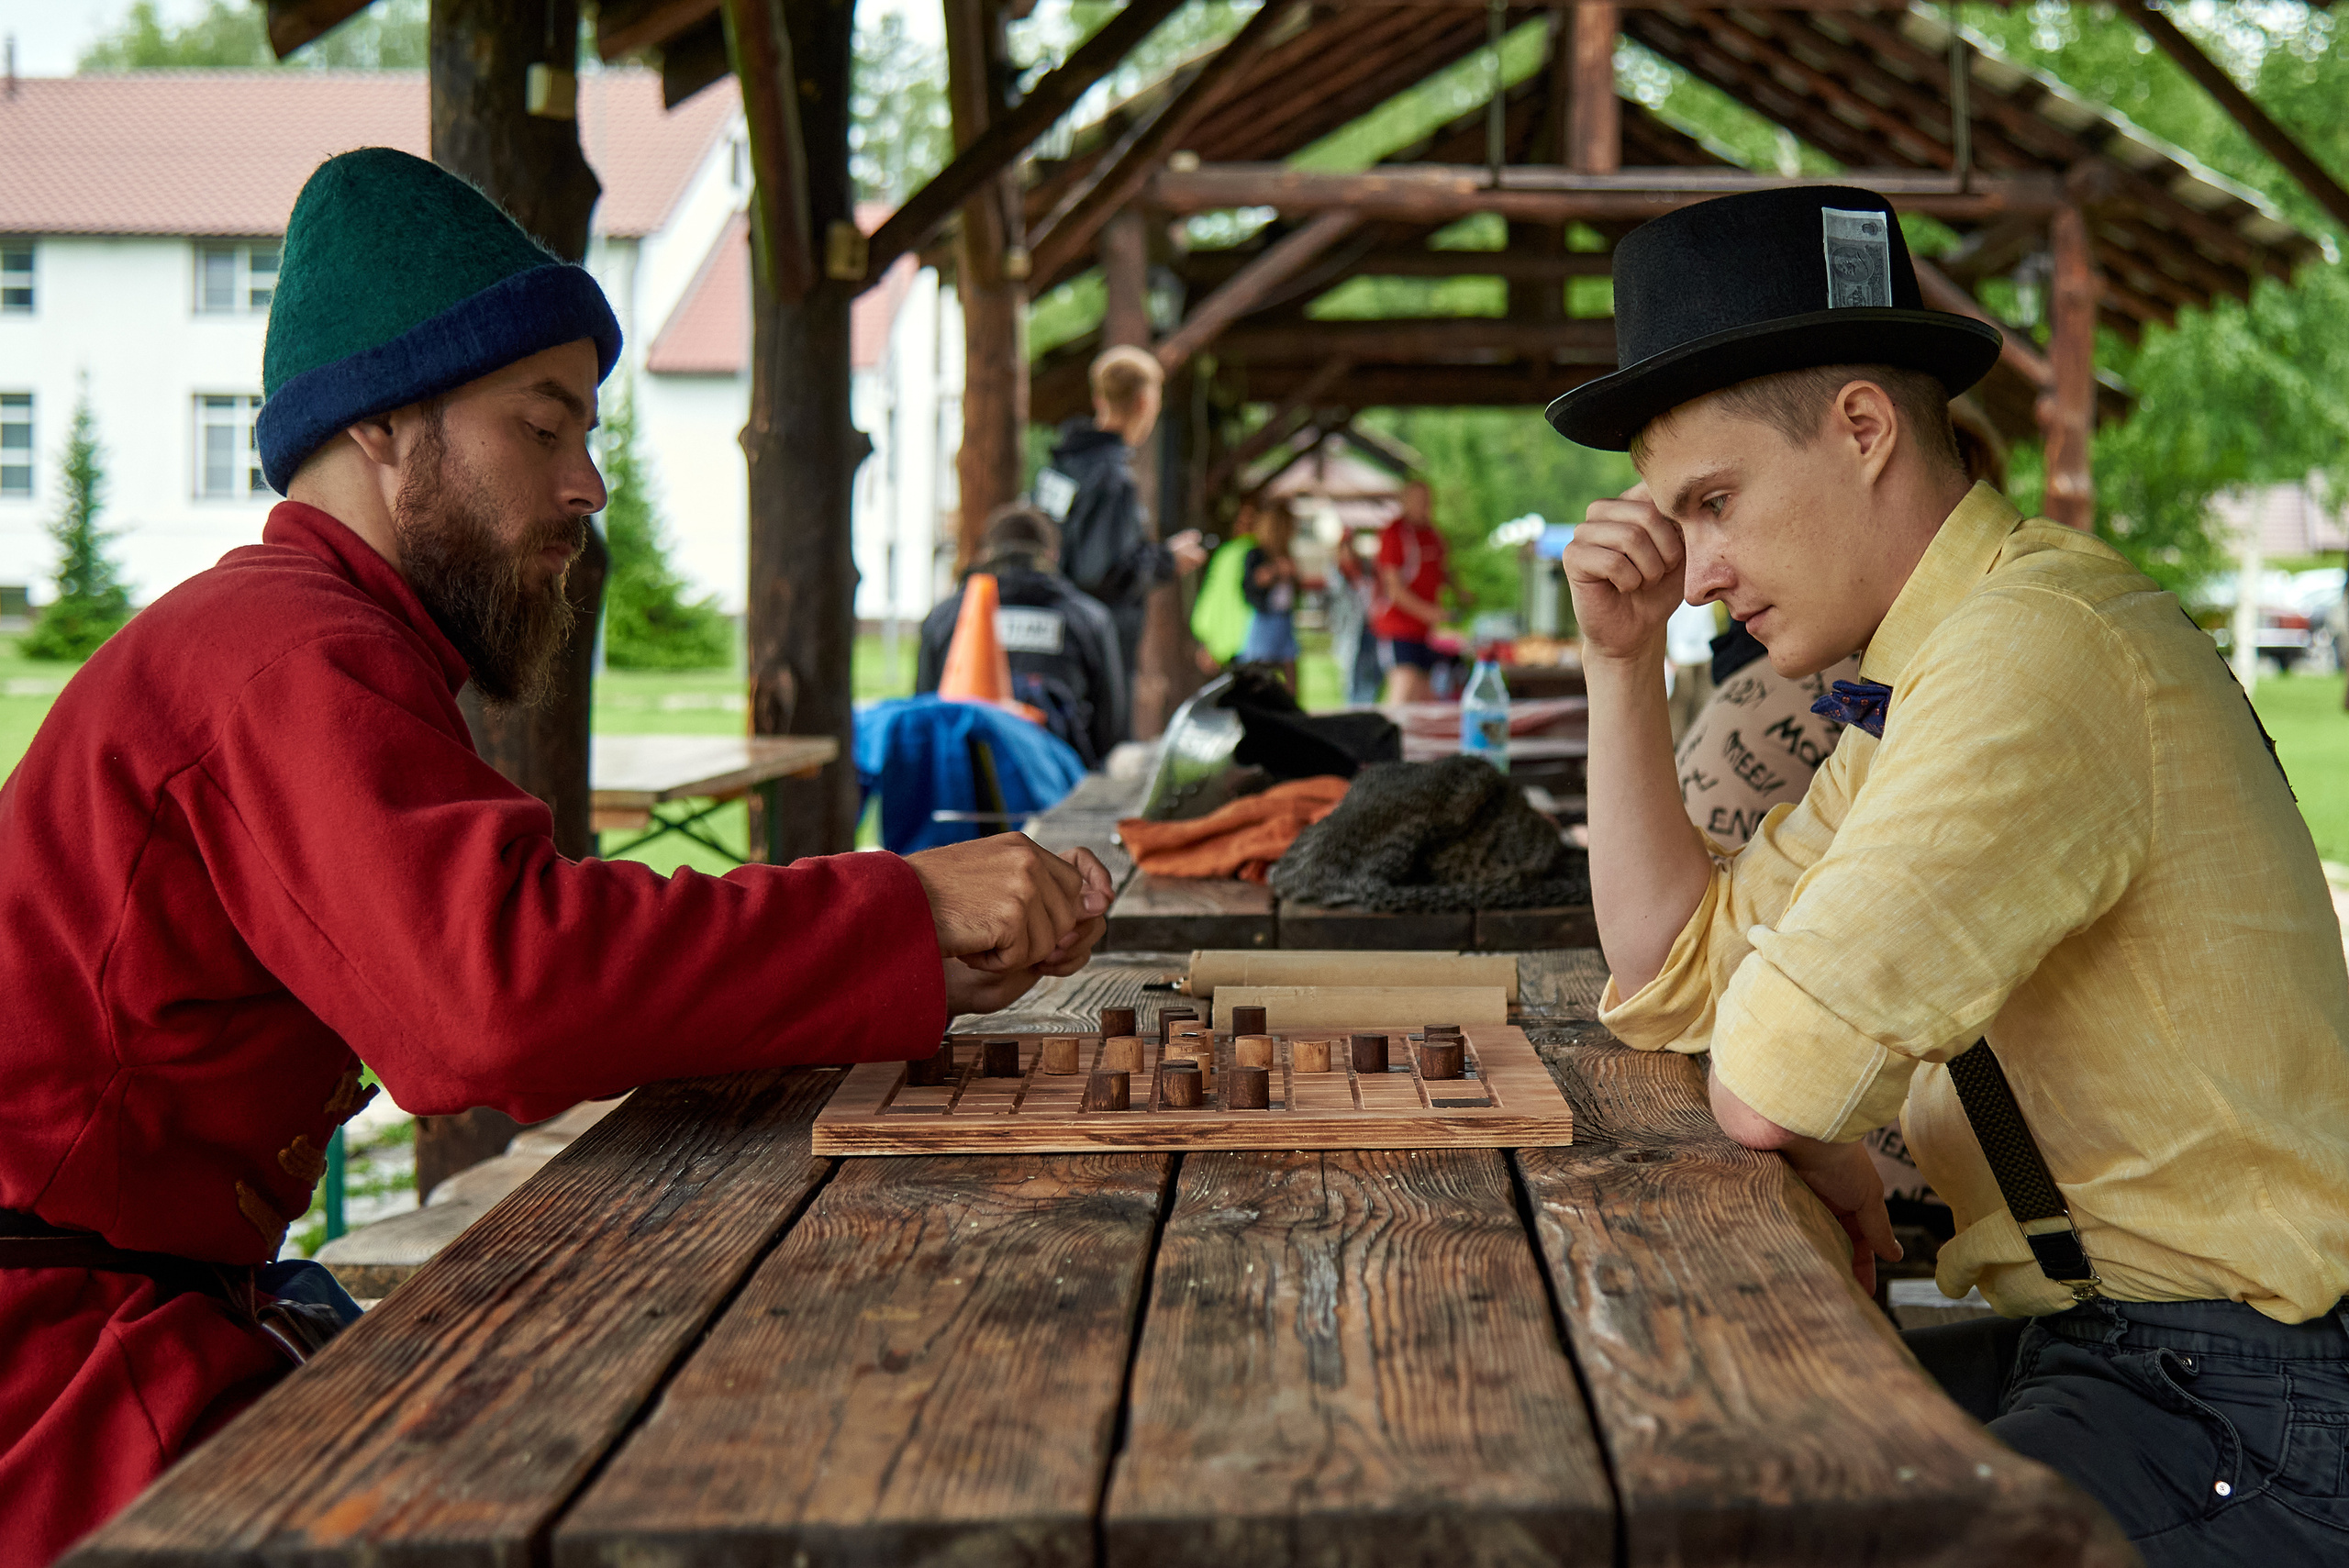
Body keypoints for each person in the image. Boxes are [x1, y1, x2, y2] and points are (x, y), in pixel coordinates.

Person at [0, 148, 1111, 1567]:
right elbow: (493, 993)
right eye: (547, 426)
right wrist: (895, 906)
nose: (589, 486)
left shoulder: (315, 636)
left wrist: (907, 954)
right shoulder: (288, 654)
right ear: (391, 429)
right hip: (60, 1389)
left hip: (138, 1317)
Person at [1554, 184, 2349, 1564]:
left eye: (1715, 502)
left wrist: (1819, 1146)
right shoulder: (1933, 671)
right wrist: (1618, 668)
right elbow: (1678, 974)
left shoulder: (2031, 653)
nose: (1697, 574)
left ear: (1863, 429)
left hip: (2246, 1397)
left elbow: (1765, 1079)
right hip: (2122, 1352)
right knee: (1717, 1476)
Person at [1034, 345, 1208, 717]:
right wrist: (1167, 560)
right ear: (1145, 401)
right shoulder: (1112, 479)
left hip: (1050, 638)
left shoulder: (1060, 468)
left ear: (1099, 398)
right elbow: (1102, 571)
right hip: (1097, 649)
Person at [917, 503, 1127, 769]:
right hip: (1060, 785)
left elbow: (922, 716)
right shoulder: (1089, 619)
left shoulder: (944, 618)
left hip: (965, 784)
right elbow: (1110, 730)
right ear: (1052, 555)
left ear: (985, 554)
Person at [1371, 479, 1453, 703]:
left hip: (1423, 631)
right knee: (1403, 687)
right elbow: (1394, 589)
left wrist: (1459, 593)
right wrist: (1431, 613)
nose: (1425, 506)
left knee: (1424, 695)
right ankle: (1385, 735)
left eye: (1427, 501)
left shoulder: (1433, 535)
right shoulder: (1394, 534)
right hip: (1397, 628)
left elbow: (1441, 571)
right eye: (1419, 501)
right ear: (1405, 502)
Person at [1237, 500, 1300, 694]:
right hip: (1265, 618)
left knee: (1290, 668)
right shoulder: (1258, 554)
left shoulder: (1286, 553)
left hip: (1283, 617)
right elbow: (1253, 582)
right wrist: (1276, 571)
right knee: (1260, 670)